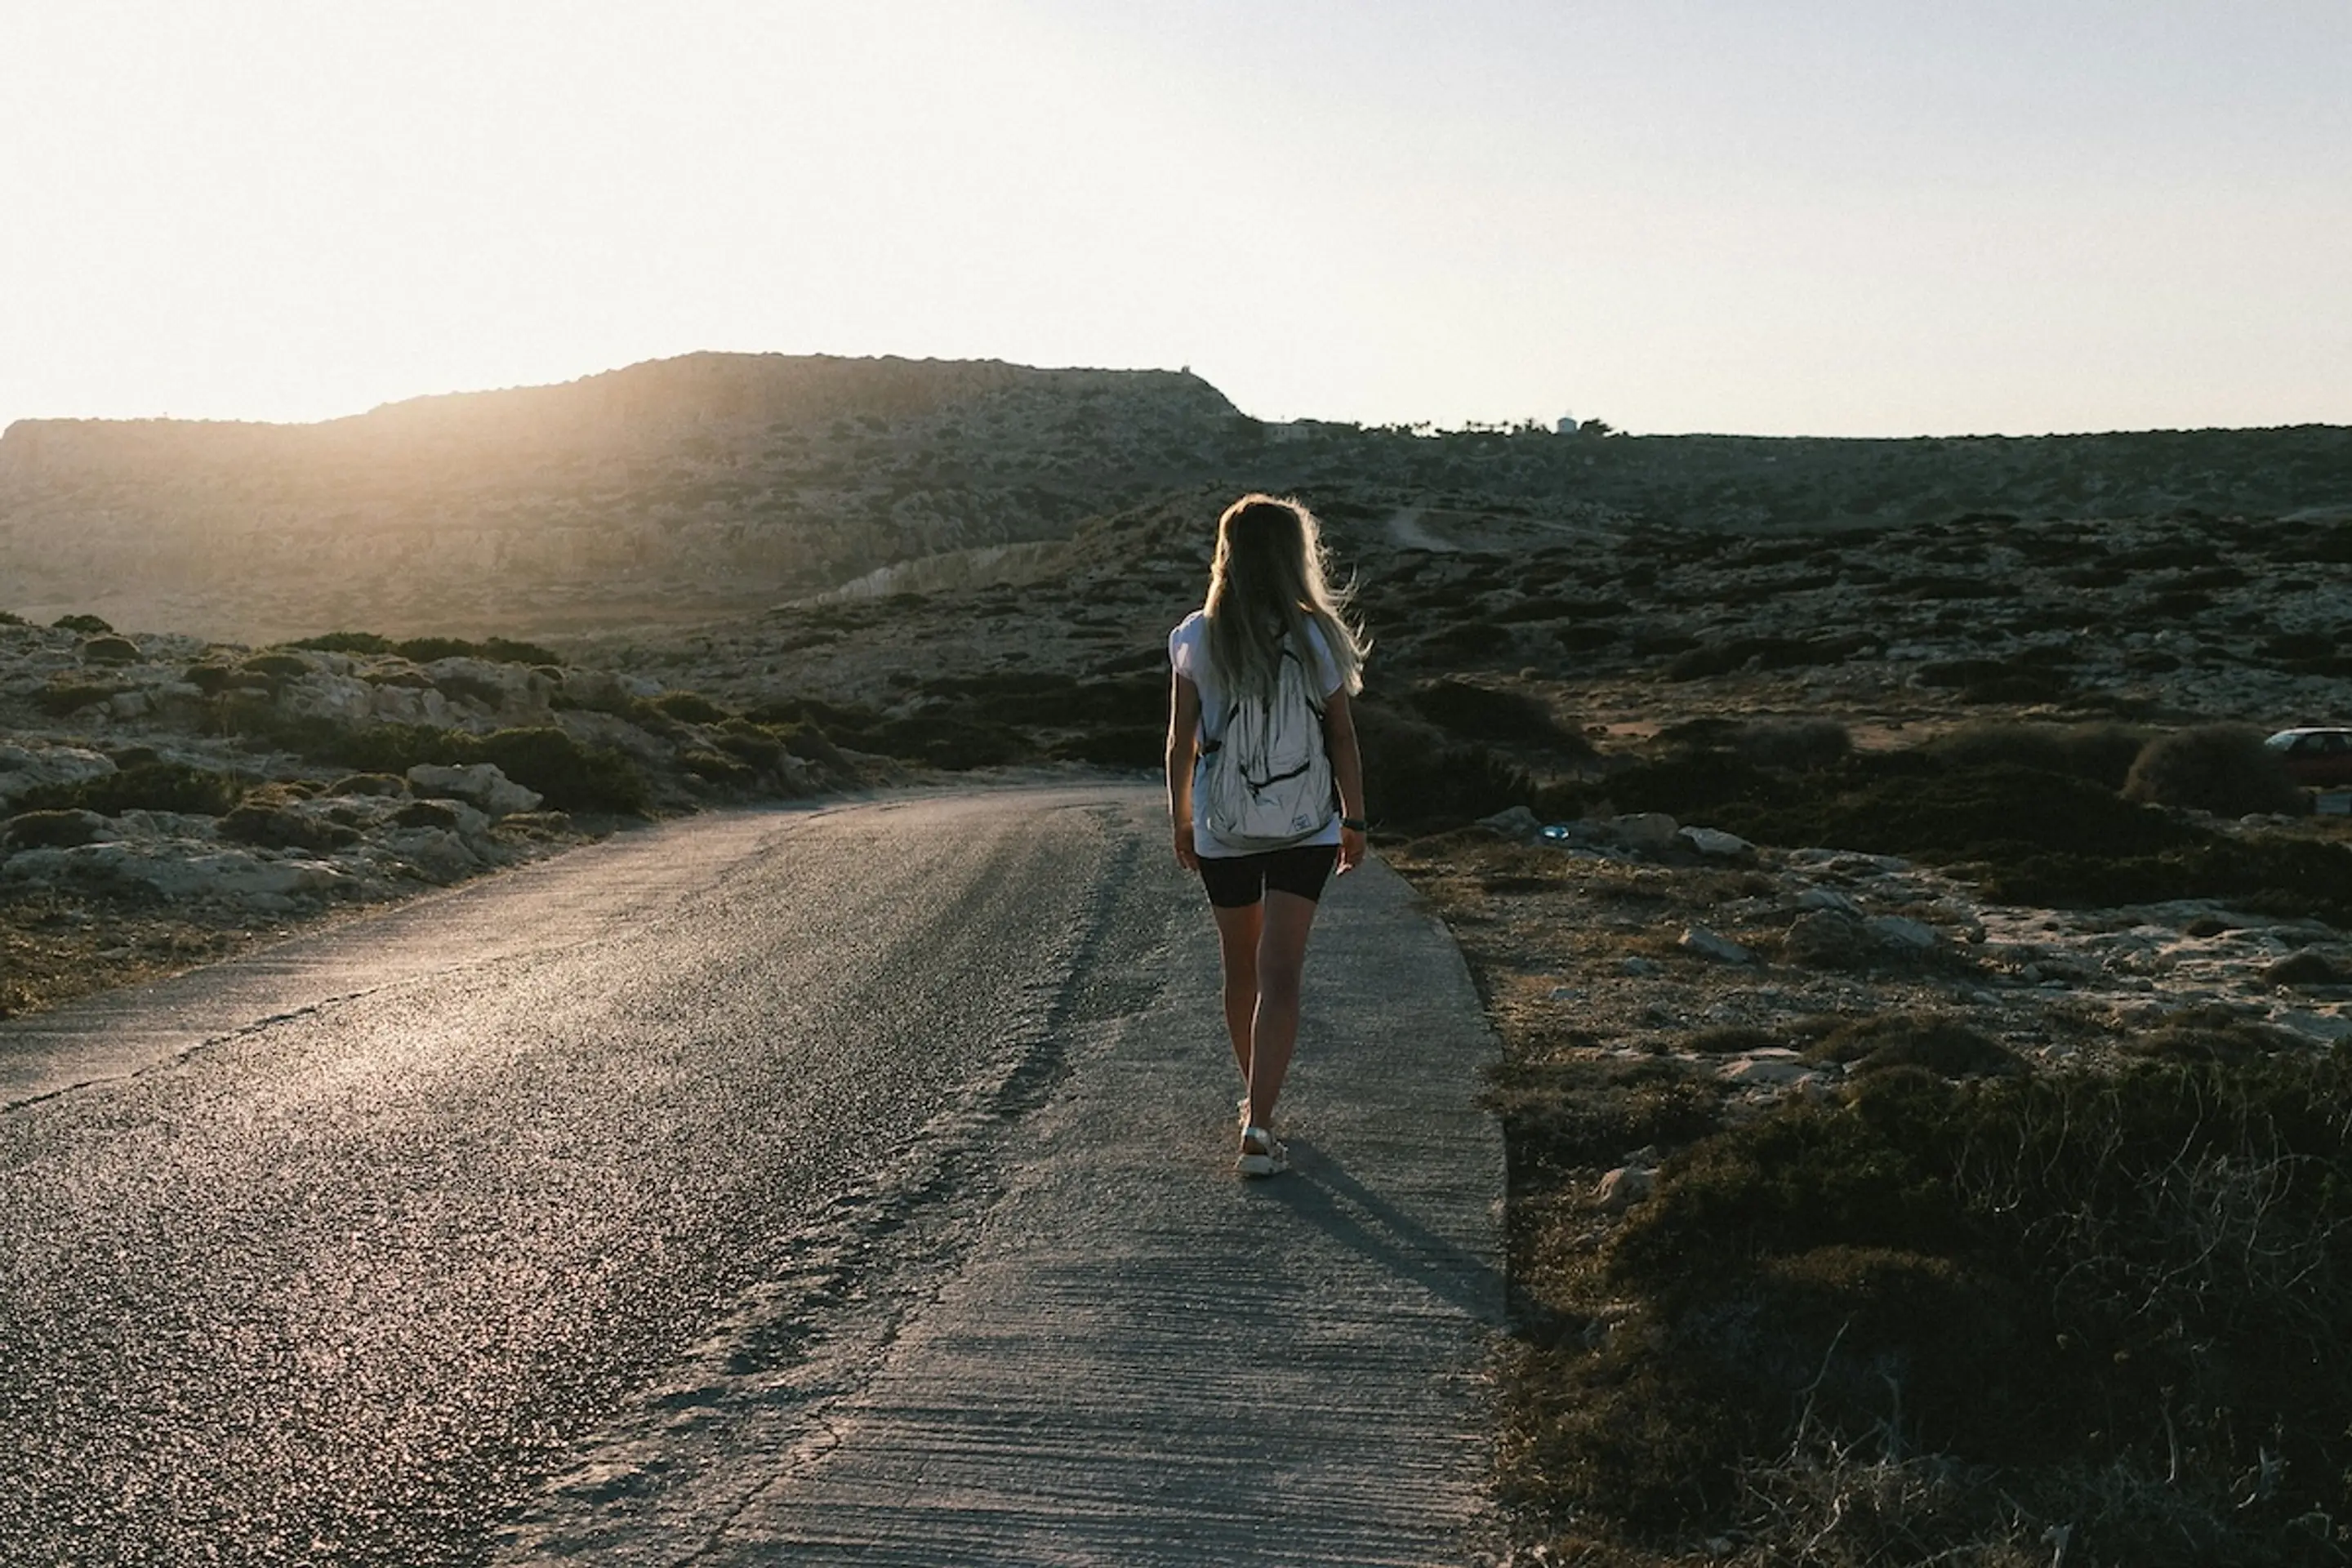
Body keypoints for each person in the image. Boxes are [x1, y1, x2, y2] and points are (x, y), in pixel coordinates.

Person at [1165, 494, 1369, 1178]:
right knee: (1281, 974)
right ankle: (1260, 1121)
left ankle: (1255, 1109)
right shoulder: (1317, 636)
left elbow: (1179, 742)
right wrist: (1356, 819)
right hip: (1306, 825)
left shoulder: (1196, 636)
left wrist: (1182, 820)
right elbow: (1341, 735)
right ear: (1293, 557)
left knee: (1241, 970)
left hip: (1225, 827)